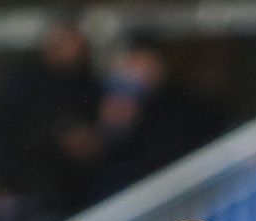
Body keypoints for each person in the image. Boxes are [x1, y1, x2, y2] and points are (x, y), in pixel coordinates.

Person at [0, 18, 102, 221]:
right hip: (21, 194)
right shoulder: (19, 84)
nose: (70, 52)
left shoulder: (88, 85)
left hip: (70, 197)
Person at [92, 40, 227, 200]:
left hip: (162, 184)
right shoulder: (115, 94)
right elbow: (108, 130)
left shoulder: (179, 107)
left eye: (147, 70)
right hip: (121, 183)